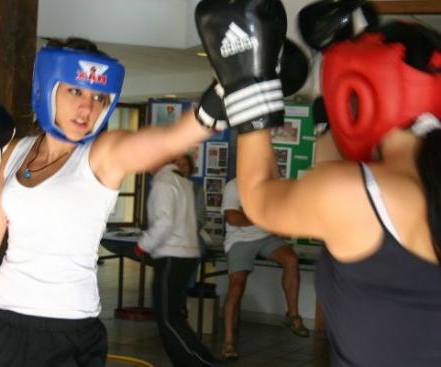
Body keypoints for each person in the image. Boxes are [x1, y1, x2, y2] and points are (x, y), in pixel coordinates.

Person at [196, 0, 441, 365]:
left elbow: (259, 198)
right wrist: (335, 68)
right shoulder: (365, 190)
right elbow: (331, 168)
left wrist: (247, 86)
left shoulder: (356, 194)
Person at [0, 37, 221, 367]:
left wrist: (221, 96)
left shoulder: (102, 154)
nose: (88, 108)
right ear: (48, 87)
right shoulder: (14, 151)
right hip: (3, 322)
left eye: (98, 96)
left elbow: (170, 138)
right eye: (76, 91)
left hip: (68, 329)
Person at [136, 160, 222, 367]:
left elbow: (164, 222)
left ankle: (200, 363)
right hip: (185, 253)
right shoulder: (181, 181)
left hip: (172, 255)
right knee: (173, 316)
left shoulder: (164, 183)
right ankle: (201, 360)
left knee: (168, 318)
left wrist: (143, 244)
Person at [220, 177, 308, 359]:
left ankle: (292, 316)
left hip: (266, 236)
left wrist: (264, 220)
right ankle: (228, 342)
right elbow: (233, 217)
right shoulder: (234, 185)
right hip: (240, 240)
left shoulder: (270, 184)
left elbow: (278, 215)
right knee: (237, 286)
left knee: (291, 259)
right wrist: (262, 218)